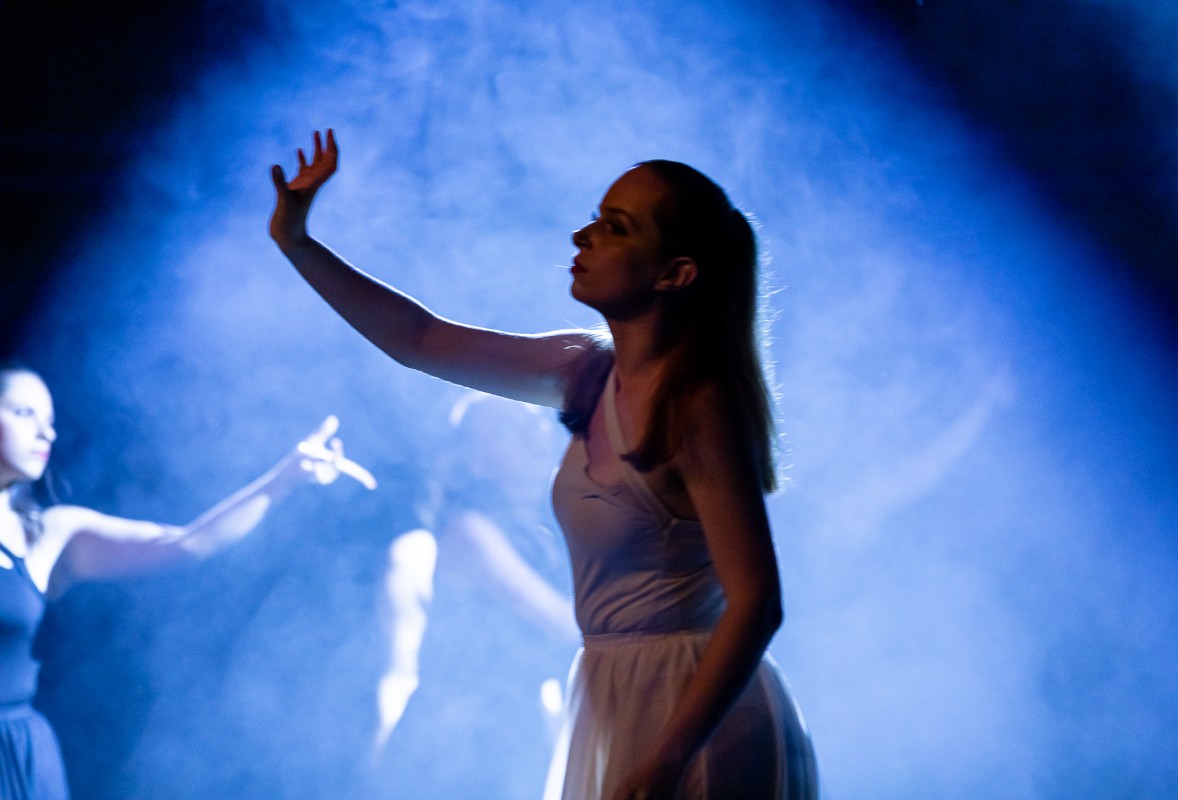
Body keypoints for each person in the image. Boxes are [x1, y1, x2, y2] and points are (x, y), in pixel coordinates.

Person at [270, 130, 818, 800]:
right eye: (595, 217)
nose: (582, 236)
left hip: (698, 713)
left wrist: (668, 759)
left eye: (615, 227)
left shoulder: (696, 407)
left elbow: (757, 602)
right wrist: (297, 242)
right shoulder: (584, 369)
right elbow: (418, 340)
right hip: (616, 691)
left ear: (674, 274)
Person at [0, 362, 374, 800]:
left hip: (19, 755)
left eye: (50, 421)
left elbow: (187, 543)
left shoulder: (47, 533)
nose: (46, 433)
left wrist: (283, 479)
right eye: (24, 414)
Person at [371, 391, 577, 798]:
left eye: (533, 419)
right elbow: (565, 625)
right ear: (476, 462)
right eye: (506, 430)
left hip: (514, 731)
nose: (532, 433)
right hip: (454, 743)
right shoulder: (470, 532)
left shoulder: (547, 529)